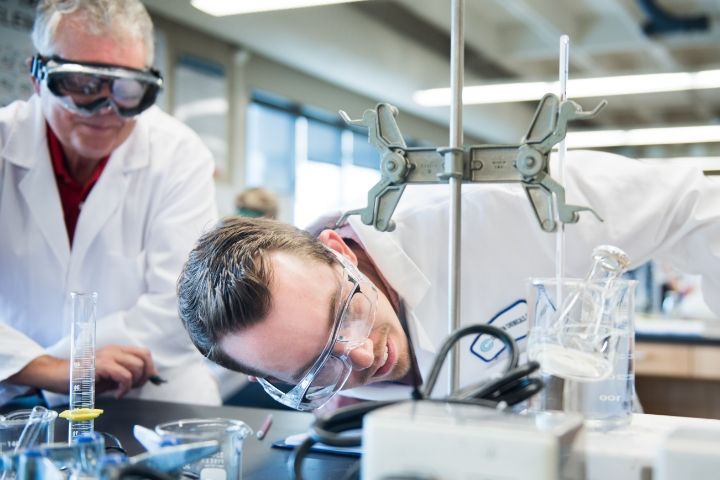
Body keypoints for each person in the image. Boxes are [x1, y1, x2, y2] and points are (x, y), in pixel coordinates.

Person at [178, 150, 720, 412]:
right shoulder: (299, 364)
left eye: (346, 315)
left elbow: (699, 206)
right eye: (318, 370)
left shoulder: (506, 208)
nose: (361, 358)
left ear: (339, 251)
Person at [0, 0, 220, 406]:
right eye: (83, 85)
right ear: (38, 76)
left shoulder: (179, 154)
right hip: (16, 396)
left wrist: (57, 366)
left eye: (127, 89)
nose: (106, 110)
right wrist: (47, 370)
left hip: (147, 400)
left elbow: (184, 309)